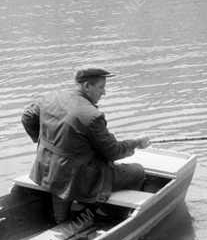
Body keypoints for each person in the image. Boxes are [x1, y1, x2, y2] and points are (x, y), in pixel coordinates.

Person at [21, 67, 152, 223]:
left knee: (61, 179)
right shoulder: (92, 116)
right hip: (77, 177)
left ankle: (61, 219)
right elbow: (113, 152)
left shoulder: (50, 97)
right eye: (101, 87)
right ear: (87, 86)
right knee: (137, 171)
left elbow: (27, 117)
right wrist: (136, 142)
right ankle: (104, 211)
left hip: (46, 167)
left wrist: (42, 142)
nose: (104, 93)